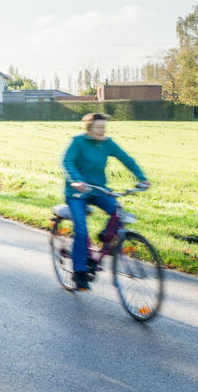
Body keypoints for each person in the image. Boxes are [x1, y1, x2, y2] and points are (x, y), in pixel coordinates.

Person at [63, 112, 149, 289]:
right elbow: (67, 162)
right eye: (98, 128)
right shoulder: (78, 142)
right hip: (77, 193)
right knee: (80, 228)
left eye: (104, 127)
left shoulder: (107, 144)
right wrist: (76, 180)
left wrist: (141, 178)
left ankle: (105, 237)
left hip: (98, 190)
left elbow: (127, 159)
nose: (102, 131)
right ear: (89, 129)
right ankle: (79, 272)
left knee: (118, 212)